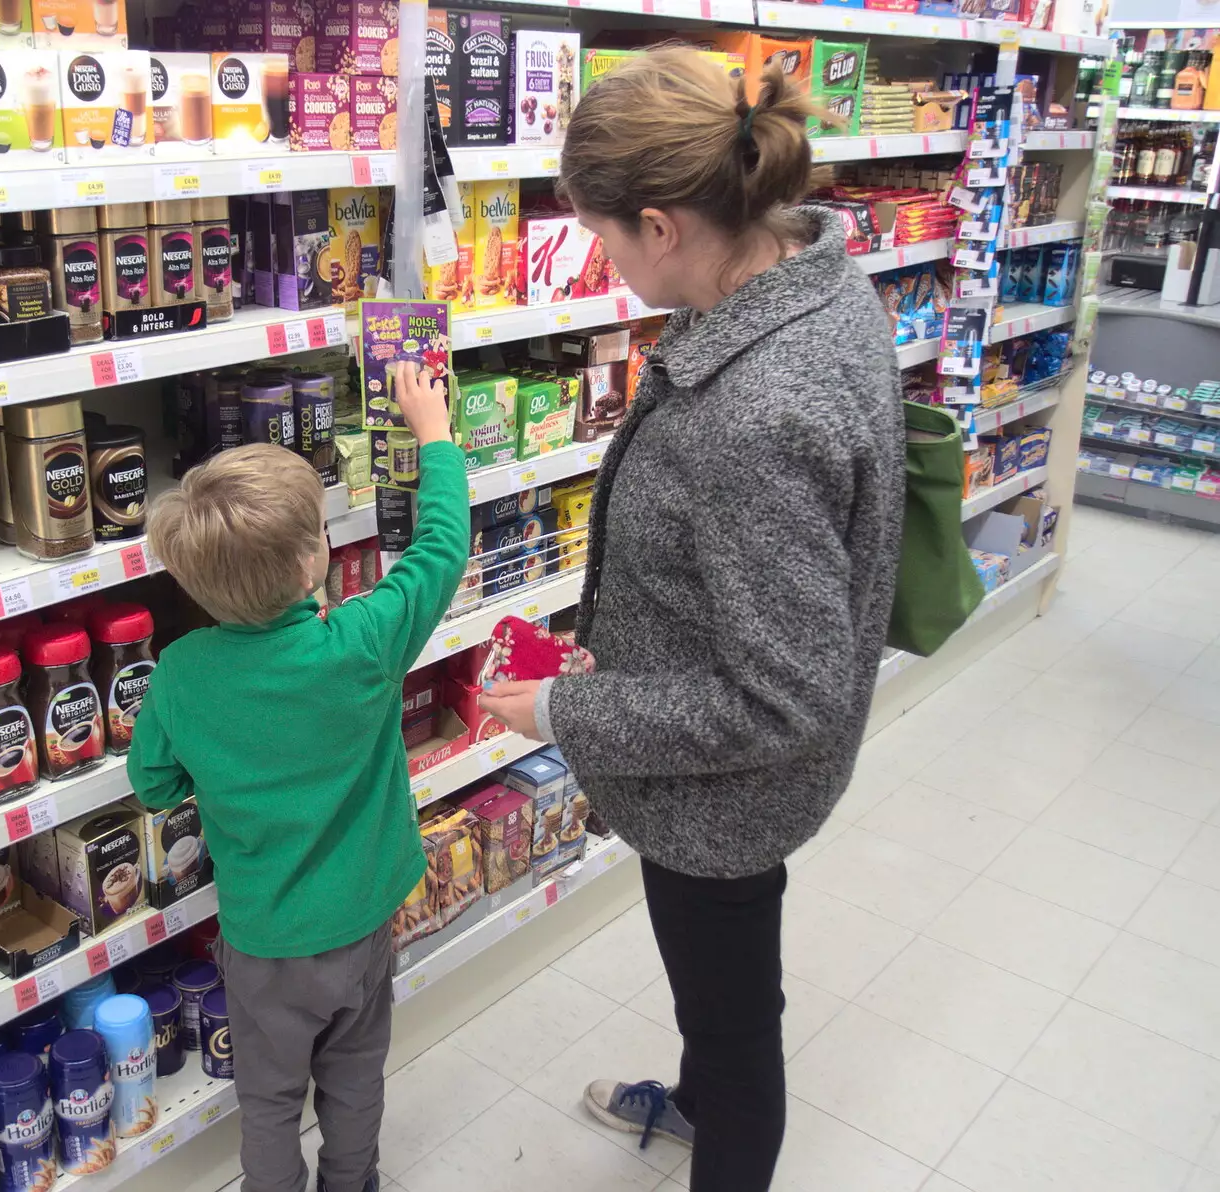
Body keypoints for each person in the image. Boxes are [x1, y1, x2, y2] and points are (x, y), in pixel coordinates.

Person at [479, 49, 905, 1192]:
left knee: (730, 1009)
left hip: (727, 793)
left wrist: (570, 707)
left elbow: (781, 696)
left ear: (660, 225)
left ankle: (723, 1135)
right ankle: (703, 1098)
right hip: (726, 762)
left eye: (605, 239)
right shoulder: (811, 272)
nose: (606, 264)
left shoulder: (757, 409)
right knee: (717, 983)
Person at [129, 362, 468, 1192]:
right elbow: (441, 549)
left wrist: (214, 778)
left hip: (264, 940)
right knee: (356, 1079)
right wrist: (435, 433)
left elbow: (153, 784)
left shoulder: (180, 671)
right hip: (361, 923)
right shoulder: (360, 642)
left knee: (270, 1094)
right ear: (312, 563)